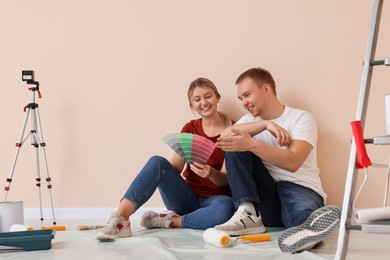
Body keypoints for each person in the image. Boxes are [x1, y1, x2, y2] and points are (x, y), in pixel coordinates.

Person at [214, 67, 341, 253]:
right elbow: (224, 137)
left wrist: (252, 144)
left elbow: (293, 161)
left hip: (299, 187)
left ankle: (305, 232)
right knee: (234, 140)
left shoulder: (301, 118)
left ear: (266, 89)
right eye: (240, 99)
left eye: (247, 95)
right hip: (266, 199)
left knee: (299, 218)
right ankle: (248, 212)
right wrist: (265, 124)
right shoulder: (248, 121)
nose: (244, 102)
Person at [97, 78, 235, 240]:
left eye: (208, 96)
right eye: (197, 99)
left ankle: (169, 221)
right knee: (157, 162)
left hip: (216, 201)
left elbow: (225, 181)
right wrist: (161, 174)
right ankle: (121, 219)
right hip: (186, 198)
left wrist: (210, 173)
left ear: (217, 97)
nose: (203, 102)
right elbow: (174, 168)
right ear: (192, 106)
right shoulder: (190, 129)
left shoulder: (232, 129)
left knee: (226, 208)